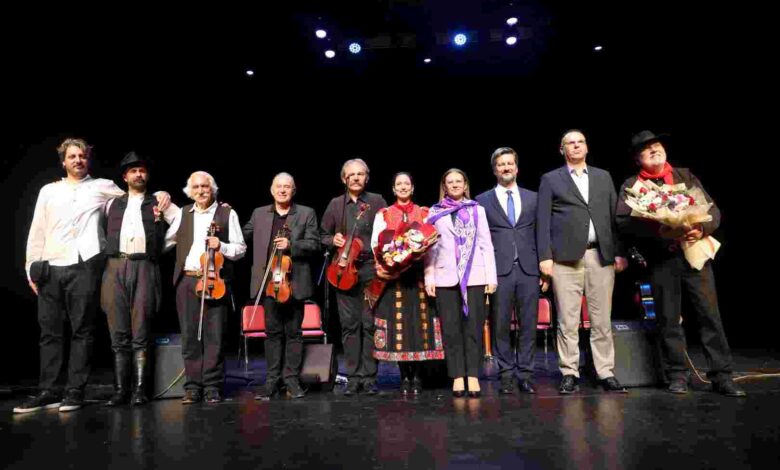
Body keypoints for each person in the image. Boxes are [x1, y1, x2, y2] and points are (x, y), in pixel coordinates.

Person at [615, 130, 745, 397]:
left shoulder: (685, 175)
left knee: (709, 315)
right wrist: (660, 231)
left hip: (694, 254)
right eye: (646, 149)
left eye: (657, 146)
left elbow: (713, 210)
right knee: (668, 319)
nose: (654, 150)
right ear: (638, 159)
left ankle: (722, 375)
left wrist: (701, 229)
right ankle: (677, 374)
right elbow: (623, 222)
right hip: (662, 259)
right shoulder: (631, 185)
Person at [536, 130, 628, 394]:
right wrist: (545, 257)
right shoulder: (551, 179)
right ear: (562, 149)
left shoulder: (603, 176)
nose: (575, 146)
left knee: (601, 319)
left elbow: (615, 218)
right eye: (570, 143)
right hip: (565, 259)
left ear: (586, 147)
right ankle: (569, 371)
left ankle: (605, 372)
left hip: (600, 256)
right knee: (567, 319)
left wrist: (619, 252)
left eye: (580, 142)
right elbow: (542, 222)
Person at [101, 151, 179, 406]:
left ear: (147, 175)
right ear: (124, 176)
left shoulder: (158, 201)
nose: (138, 174)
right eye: (133, 171)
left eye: (142, 170)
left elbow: (182, 221)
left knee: (141, 329)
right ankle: (120, 390)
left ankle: (139, 390)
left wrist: (160, 247)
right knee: (118, 331)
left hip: (144, 266)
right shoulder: (111, 202)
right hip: (115, 266)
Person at [165, 171, 246, 404]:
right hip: (188, 280)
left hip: (216, 280)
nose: (201, 191)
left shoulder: (227, 213)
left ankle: (212, 386)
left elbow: (241, 249)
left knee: (215, 337)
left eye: (205, 187)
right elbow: (168, 242)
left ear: (213, 189)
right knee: (190, 337)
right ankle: (192, 386)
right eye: (196, 187)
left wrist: (221, 245)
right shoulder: (182, 214)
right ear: (190, 191)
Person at [475, 147, 547, 395]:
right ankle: (505, 374)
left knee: (528, 325)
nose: (505, 168)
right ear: (495, 170)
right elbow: (480, 241)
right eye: (501, 164)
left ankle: (525, 374)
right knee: (500, 325)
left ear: (517, 168)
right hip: (499, 272)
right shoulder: (482, 201)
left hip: (529, 270)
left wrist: (544, 270)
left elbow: (542, 234)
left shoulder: (533, 198)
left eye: (509, 164)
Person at [245, 173, 321, 400]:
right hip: (268, 284)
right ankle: (272, 380)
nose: (282, 190)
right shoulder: (259, 213)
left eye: (287, 187)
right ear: (271, 190)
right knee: (273, 334)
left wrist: (292, 245)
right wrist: (224, 214)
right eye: (278, 186)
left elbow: (315, 244)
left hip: (295, 282)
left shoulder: (306, 213)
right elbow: (242, 234)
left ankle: (291, 380)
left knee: (294, 334)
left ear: (293, 190)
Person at [425, 168, 497, 398]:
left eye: (459, 181)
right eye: (450, 182)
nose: (455, 185)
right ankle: (457, 376)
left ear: (465, 185)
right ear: (444, 186)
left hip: (474, 277)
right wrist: (429, 277)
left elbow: (486, 244)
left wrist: (491, 277)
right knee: (452, 329)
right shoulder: (435, 213)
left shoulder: (478, 210)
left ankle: (473, 375)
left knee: (474, 326)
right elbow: (430, 249)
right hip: (445, 278)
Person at [370, 172, 444, 395]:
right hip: (395, 281)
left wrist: (419, 254)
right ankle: (404, 377)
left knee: (419, 327)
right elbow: (376, 244)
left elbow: (433, 242)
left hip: (419, 279)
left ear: (412, 188)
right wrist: (388, 264)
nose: (403, 187)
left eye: (407, 184)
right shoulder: (383, 214)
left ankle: (418, 376)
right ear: (393, 189)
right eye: (398, 184)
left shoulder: (424, 212)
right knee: (398, 327)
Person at [320, 158, 387, 395]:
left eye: (360, 174)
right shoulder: (336, 204)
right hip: (343, 270)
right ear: (344, 179)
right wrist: (332, 240)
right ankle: (354, 376)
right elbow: (322, 235)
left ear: (366, 178)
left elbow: (387, 235)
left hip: (370, 270)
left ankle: (369, 377)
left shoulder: (378, 201)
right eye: (351, 175)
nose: (356, 178)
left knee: (370, 325)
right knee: (350, 326)